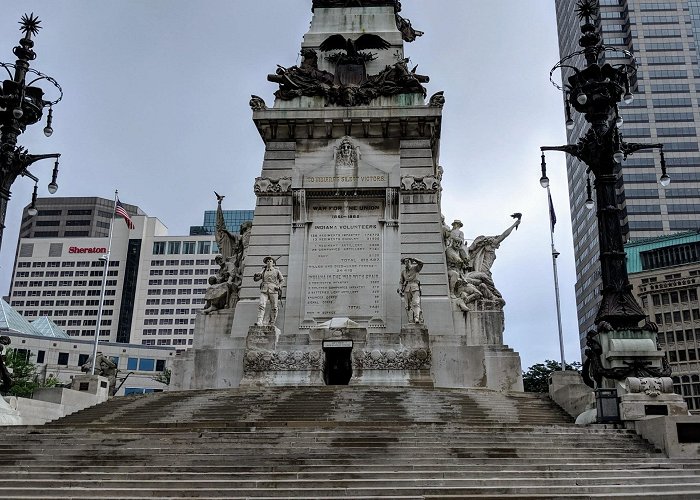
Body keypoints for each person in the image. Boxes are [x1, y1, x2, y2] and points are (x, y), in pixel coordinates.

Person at [254, 257, 285, 326]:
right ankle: (259, 321)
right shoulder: (263, 271)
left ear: (273, 263)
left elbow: (282, 280)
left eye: (270, 261)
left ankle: (272, 323)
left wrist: (279, 286)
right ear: (266, 263)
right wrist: (256, 275)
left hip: (274, 290)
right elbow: (256, 279)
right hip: (264, 289)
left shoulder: (276, 271)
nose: (269, 262)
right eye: (267, 261)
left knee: (274, 307)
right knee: (261, 305)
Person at [399, 257, 424, 324]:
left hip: (415, 287)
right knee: (407, 306)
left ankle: (417, 318)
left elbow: (421, 263)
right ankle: (410, 320)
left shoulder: (415, 268)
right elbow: (401, 282)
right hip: (406, 289)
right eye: (405, 262)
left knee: (416, 303)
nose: (406, 263)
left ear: (411, 262)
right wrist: (400, 289)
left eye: (408, 261)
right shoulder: (403, 272)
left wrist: (414, 259)